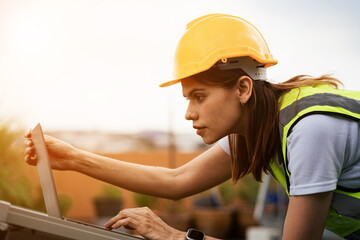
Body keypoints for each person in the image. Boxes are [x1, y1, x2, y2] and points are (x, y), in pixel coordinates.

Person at [24, 13, 360, 240]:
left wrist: (173, 235)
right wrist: (71, 159)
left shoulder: (311, 130)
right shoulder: (257, 128)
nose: (188, 113)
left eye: (199, 97)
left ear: (243, 89)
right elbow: (177, 181)